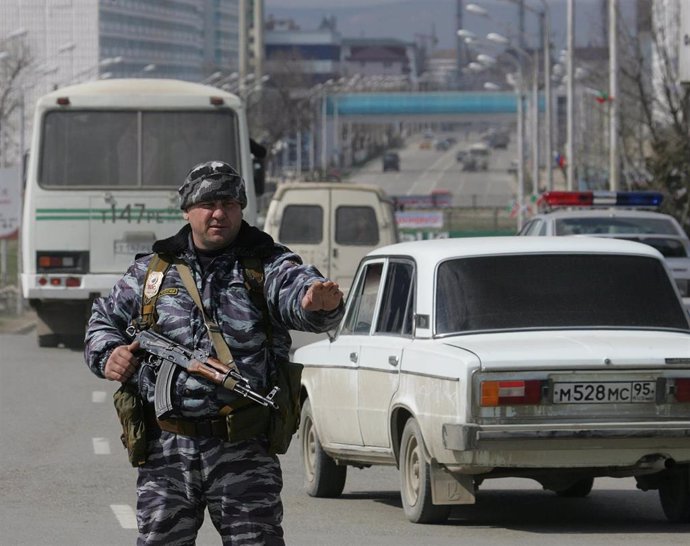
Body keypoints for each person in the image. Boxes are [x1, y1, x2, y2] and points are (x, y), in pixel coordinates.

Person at [84, 160, 344, 545]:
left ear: (241, 209)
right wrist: (110, 355)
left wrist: (316, 303)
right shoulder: (152, 273)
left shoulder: (265, 264)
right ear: (188, 210)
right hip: (167, 450)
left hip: (243, 449)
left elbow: (296, 294)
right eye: (208, 204)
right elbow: (101, 322)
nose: (219, 213)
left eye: (229, 203)